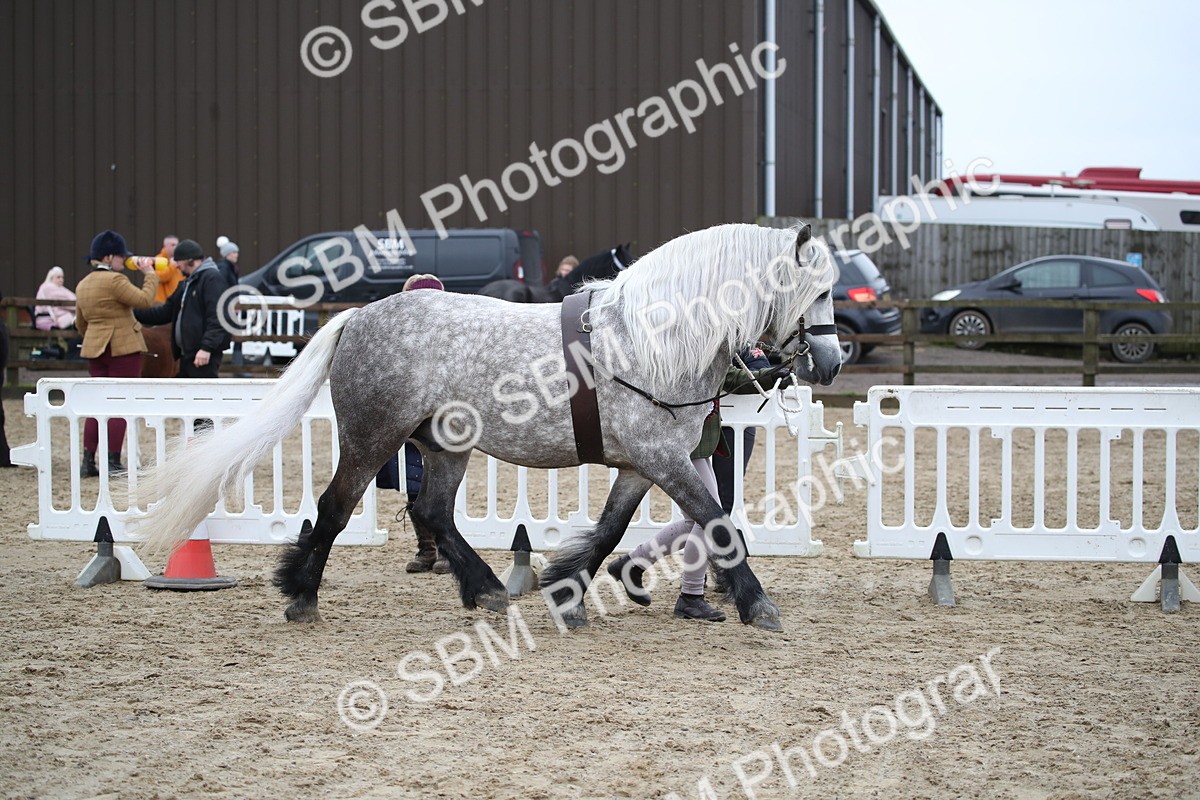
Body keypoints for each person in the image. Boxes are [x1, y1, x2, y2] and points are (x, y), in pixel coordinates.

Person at [606, 359, 787, 621]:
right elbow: (728, 378)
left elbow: (729, 377)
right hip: (682, 441)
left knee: (695, 521)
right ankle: (690, 597)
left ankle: (633, 564)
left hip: (692, 442)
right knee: (708, 520)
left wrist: (768, 376)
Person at [74, 230, 160, 476]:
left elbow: (80, 323)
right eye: (122, 258)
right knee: (120, 403)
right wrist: (150, 275)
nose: (124, 262)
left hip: (94, 350)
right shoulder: (115, 281)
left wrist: (94, 337)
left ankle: (88, 461)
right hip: (122, 350)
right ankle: (112, 461)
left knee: (96, 404)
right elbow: (144, 300)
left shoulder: (83, 285)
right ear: (109, 257)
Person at [396, 273, 450, 574]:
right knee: (415, 483)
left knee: (439, 483)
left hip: (440, 418)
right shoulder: (400, 336)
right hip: (412, 418)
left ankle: (443, 547)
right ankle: (427, 548)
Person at [134, 238, 232, 378]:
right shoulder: (187, 283)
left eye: (178, 261)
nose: (176, 266)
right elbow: (165, 313)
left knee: (201, 395)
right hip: (186, 354)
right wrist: (131, 312)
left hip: (202, 355)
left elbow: (218, 317)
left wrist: (206, 348)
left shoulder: (211, 279)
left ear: (190, 260)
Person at [154, 234, 185, 303]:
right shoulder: (158, 259)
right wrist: (171, 266)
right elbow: (161, 277)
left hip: (177, 300)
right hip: (162, 302)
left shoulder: (178, 260)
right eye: (173, 245)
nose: (176, 247)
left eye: (177, 244)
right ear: (165, 246)